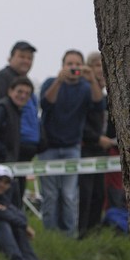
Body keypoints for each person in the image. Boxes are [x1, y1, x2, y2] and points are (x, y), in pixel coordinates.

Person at [39, 50, 104, 236]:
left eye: (77, 64)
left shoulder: (85, 87)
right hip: (48, 147)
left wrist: (92, 80)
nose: (73, 67)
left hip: (72, 147)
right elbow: (45, 104)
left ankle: (69, 235)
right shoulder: (50, 83)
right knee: (50, 195)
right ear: (62, 65)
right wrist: (59, 81)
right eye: (69, 64)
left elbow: (99, 105)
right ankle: (50, 235)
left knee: (69, 195)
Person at [78, 51, 118, 237]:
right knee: (85, 193)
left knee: (99, 193)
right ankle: (82, 231)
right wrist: (96, 138)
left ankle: (94, 231)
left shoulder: (107, 95)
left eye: (103, 65)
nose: (100, 70)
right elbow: (78, 123)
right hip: (86, 148)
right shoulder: (83, 91)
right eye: (96, 65)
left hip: (104, 150)